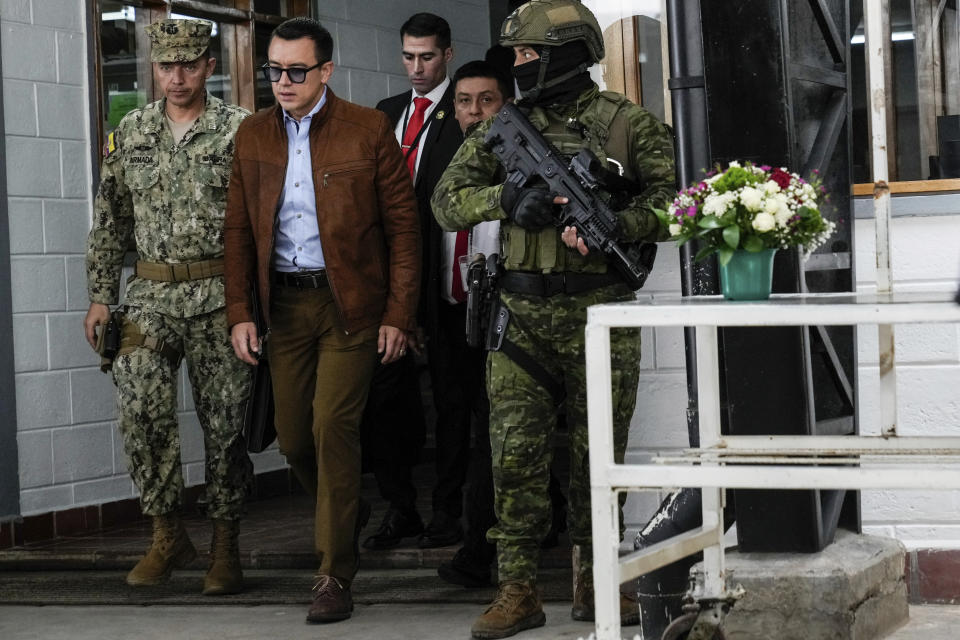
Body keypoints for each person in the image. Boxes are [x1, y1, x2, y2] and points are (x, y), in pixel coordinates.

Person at [431, 2, 676, 638]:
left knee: (600, 457)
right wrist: (507, 200)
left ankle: (598, 582)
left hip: (598, 312)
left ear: (568, 53)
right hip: (519, 314)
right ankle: (517, 590)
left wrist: (616, 224)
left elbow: (673, 205)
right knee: (514, 456)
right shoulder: (503, 126)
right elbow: (444, 201)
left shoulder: (628, 124)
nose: (516, 66)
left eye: (527, 56)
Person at [222, 17, 420, 624]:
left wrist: (398, 313)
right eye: (274, 70)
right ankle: (346, 508)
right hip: (284, 306)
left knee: (334, 426)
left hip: (351, 307)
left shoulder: (368, 129)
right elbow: (236, 232)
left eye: (296, 70)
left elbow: (404, 229)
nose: (282, 81)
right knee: (293, 435)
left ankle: (333, 572)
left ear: (326, 71)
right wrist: (239, 313)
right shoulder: (253, 134)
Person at [83, 19, 252, 596]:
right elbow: (111, 218)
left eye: (188, 64)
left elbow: (260, 220)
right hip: (149, 296)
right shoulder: (131, 130)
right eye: (165, 66)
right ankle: (166, 533)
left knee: (226, 426)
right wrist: (101, 295)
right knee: (142, 411)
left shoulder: (240, 131)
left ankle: (225, 545)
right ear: (154, 69)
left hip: (218, 296)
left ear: (209, 66)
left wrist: (251, 304)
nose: (176, 77)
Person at [363, 12, 470, 552]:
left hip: (446, 279)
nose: (416, 68)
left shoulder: (466, 112)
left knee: (453, 398)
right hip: (393, 281)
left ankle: (447, 511)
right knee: (388, 400)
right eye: (407, 56)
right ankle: (398, 506)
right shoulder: (386, 114)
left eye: (426, 57)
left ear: (446, 55)